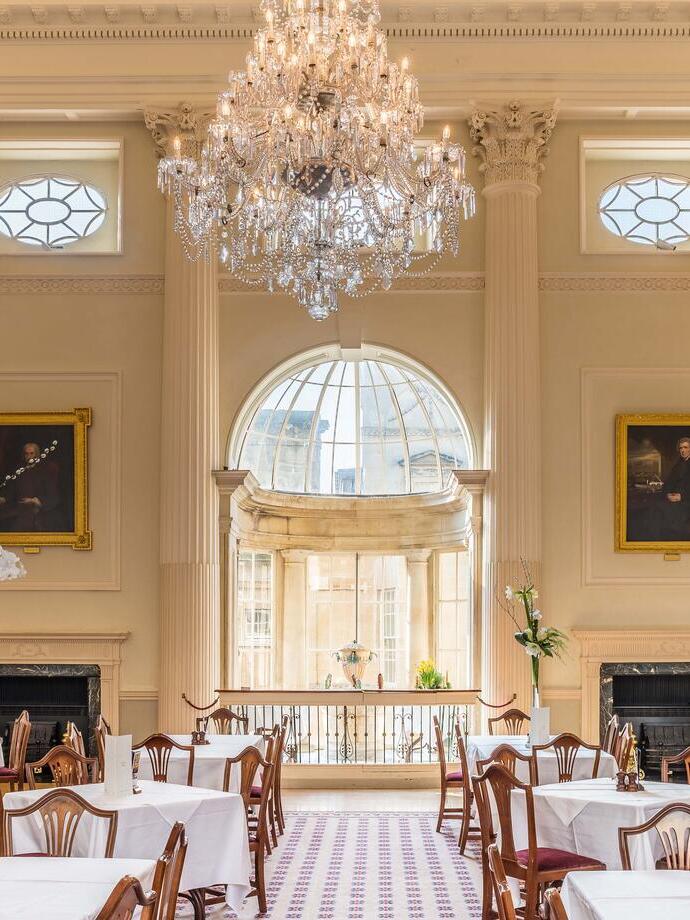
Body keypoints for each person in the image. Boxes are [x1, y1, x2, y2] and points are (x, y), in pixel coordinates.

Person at [0, 442, 63, 532]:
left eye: (31, 453)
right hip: (19, 508)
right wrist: (4, 498)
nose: (29, 456)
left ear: (37, 454)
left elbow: (53, 496)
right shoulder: (19, 471)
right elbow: (11, 492)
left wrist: (34, 501)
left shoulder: (45, 470)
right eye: (26, 454)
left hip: (38, 511)